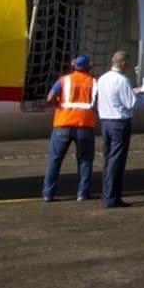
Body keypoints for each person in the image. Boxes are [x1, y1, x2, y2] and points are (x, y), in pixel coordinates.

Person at [94, 49, 144, 208]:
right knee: (117, 161)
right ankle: (113, 197)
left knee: (108, 159)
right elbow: (131, 104)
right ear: (123, 64)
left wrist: (134, 92)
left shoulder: (102, 79)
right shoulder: (123, 80)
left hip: (106, 122)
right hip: (119, 123)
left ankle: (106, 193)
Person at [42, 54, 97, 202]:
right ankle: (82, 194)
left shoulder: (64, 80)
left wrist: (57, 105)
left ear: (73, 65)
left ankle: (48, 194)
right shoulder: (93, 82)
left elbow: (49, 98)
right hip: (85, 125)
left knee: (55, 160)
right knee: (85, 160)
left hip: (63, 124)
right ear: (88, 67)